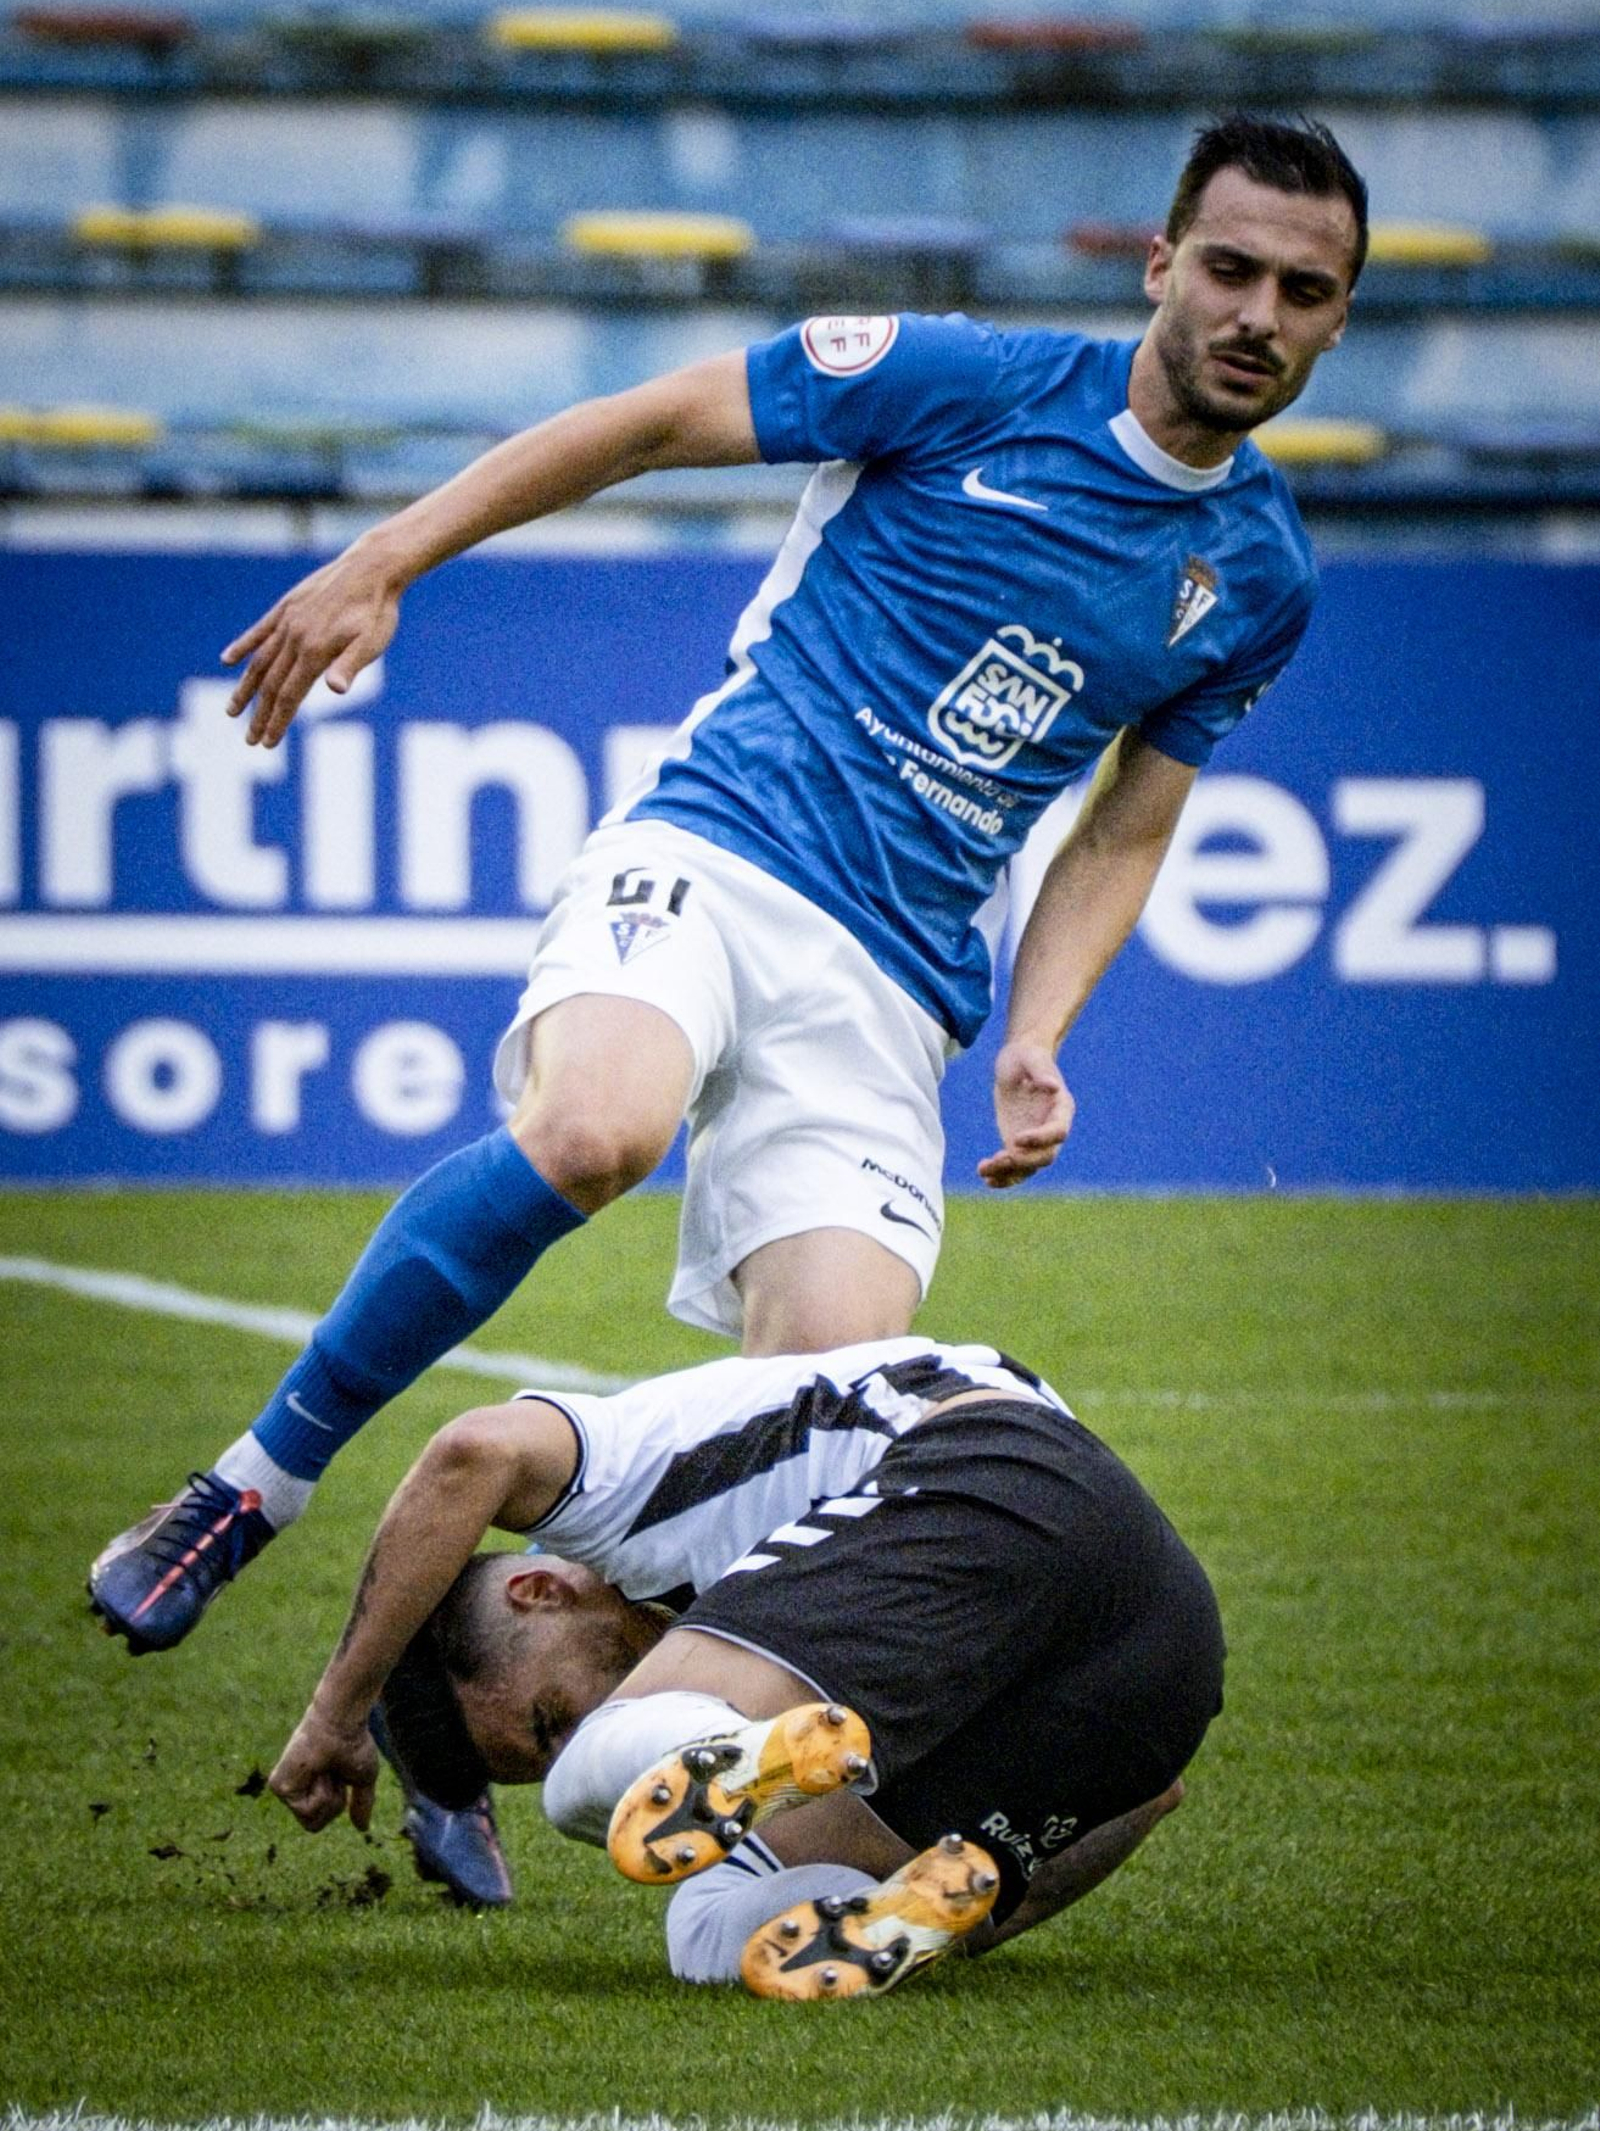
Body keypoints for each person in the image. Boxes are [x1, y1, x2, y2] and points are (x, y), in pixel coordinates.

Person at [90, 114, 1356, 1849]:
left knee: (835, 1435)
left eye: (1306, 289)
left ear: (1338, 317)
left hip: (895, 992)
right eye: (1231, 268)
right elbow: (652, 420)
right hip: (722, 853)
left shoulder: (1263, 573)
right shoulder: (965, 381)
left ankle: (474, 1723)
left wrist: (1043, 1027)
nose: (1259, 313)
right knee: (595, 1128)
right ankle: (255, 1481)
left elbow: (1131, 823)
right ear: (1160, 263)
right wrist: (392, 554)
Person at [266, 1335, 1223, 1997]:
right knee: (710, 1922)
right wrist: (995, 1887)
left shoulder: (624, 1486)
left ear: (538, 1592)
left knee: (585, 1796)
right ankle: (909, 1911)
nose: (585, 1722)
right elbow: (1151, 1791)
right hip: (1159, 1665)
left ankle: (746, 1757)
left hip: (983, 1472)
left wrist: (335, 1711)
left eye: (551, 1719)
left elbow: (474, 1448)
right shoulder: (810, 1604)